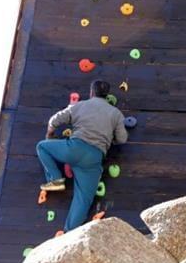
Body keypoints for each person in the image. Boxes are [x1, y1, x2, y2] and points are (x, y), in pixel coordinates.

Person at [36, 80, 128, 232]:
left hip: (74, 149)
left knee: (42, 147)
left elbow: (54, 121)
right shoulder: (116, 114)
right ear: (107, 95)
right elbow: (122, 139)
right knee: (83, 200)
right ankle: (69, 233)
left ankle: (55, 180)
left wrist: (50, 134)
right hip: (94, 158)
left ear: (91, 92)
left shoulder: (79, 106)